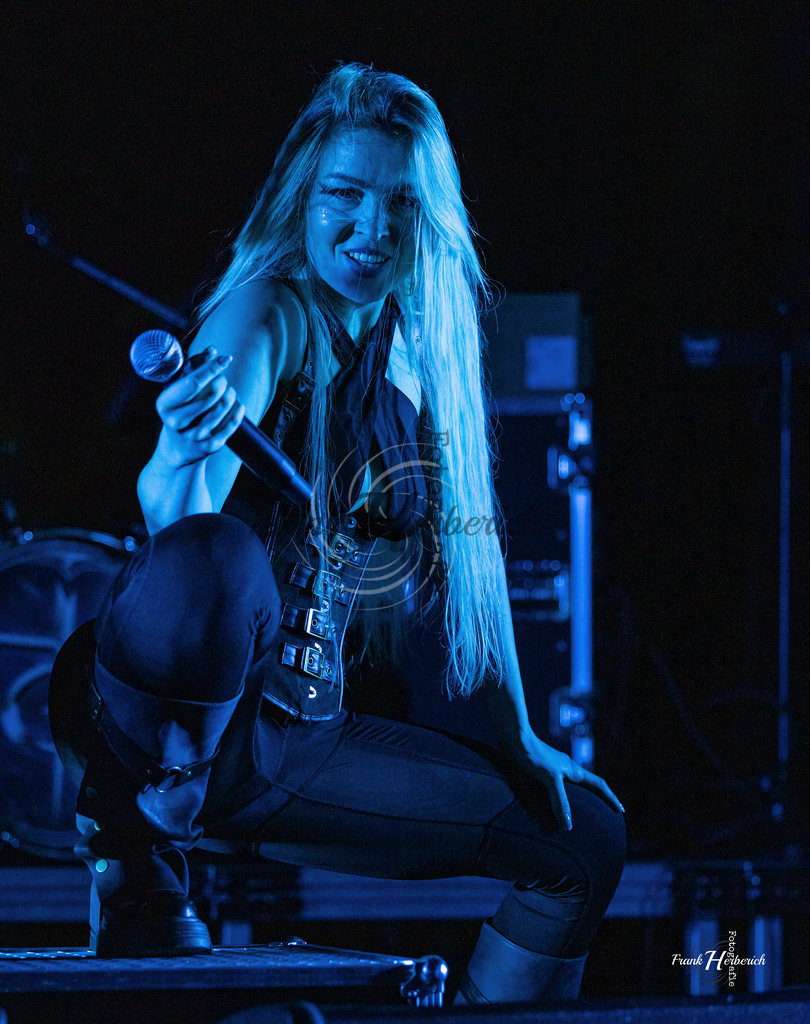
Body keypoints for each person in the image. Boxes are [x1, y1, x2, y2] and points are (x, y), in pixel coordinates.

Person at [50, 63, 626, 1005]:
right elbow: (185, 525)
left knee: (584, 841)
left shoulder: (422, 352)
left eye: (399, 204)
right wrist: (180, 460)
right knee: (215, 551)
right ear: (301, 199)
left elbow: (467, 561)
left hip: (291, 743)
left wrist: (517, 735)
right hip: (167, 722)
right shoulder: (263, 311)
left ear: (428, 217)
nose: (371, 229)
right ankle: (135, 826)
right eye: (344, 196)